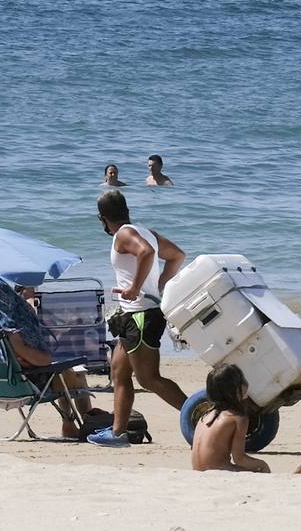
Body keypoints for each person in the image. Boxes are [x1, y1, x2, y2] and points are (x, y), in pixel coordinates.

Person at [88, 189, 188, 447]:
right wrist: (160, 284)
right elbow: (177, 255)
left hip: (142, 315)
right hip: (134, 315)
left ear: (102, 218)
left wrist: (135, 287)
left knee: (148, 378)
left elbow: (146, 253)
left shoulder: (124, 234)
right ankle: (118, 433)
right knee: (119, 371)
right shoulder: (145, 231)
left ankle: (201, 419)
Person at [0, 278, 97, 438]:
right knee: (72, 373)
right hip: (25, 385)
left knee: (62, 371)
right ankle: (82, 425)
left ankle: (76, 424)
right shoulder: (12, 331)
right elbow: (44, 362)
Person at [191, 364, 272, 473]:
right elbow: (239, 459)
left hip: (196, 470)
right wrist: (262, 464)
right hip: (217, 471)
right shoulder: (237, 418)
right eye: (241, 380)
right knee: (261, 468)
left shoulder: (205, 415)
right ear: (233, 389)